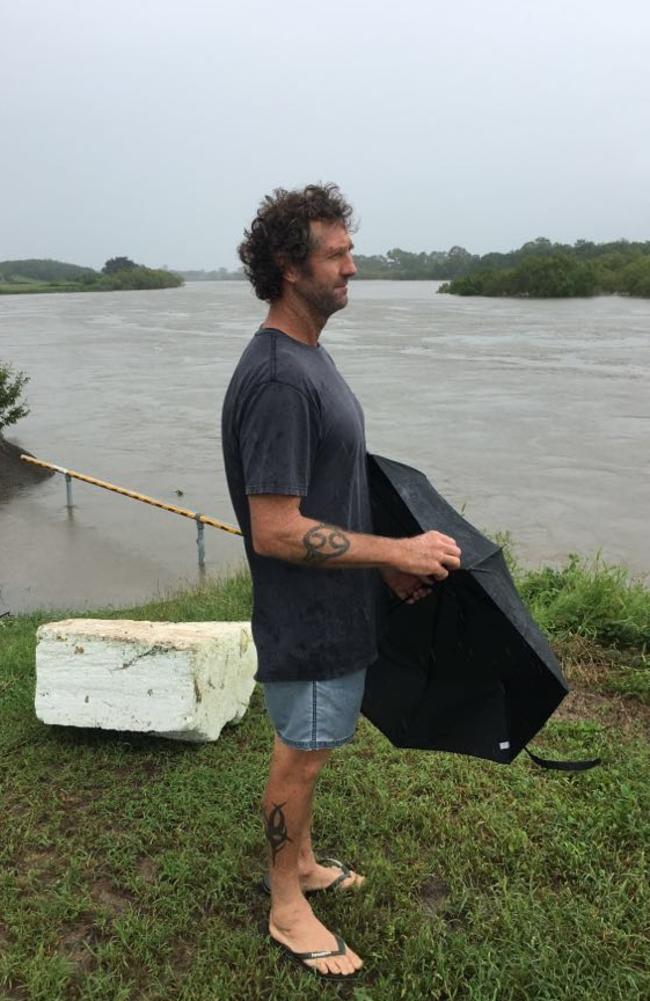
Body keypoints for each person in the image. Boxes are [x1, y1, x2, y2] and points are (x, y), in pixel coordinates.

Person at [221, 183, 461, 980]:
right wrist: (393, 553)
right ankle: (287, 901)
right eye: (337, 254)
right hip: (308, 616)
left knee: (312, 748)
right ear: (291, 267)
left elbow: (328, 491)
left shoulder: (308, 357)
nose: (353, 267)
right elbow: (277, 527)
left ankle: (307, 860)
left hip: (335, 606)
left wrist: (381, 563)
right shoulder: (282, 379)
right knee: (302, 756)